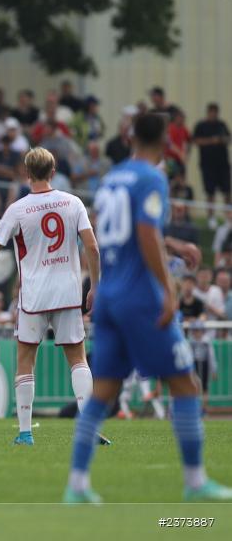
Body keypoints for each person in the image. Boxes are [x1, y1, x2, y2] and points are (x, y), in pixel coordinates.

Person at [64, 113, 232, 503]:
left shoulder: (113, 178)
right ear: (167, 144)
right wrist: (169, 289)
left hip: (109, 294)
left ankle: (76, 486)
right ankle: (194, 483)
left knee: (103, 390)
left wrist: (171, 244)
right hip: (141, 297)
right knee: (185, 384)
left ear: (130, 137)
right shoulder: (152, 177)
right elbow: (143, 232)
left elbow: (116, 232)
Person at [0, 148, 109, 447]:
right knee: (78, 359)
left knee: (26, 360)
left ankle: (25, 433)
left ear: (26, 174)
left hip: (33, 296)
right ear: (53, 172)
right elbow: (93, 248)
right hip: (67, 292)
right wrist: (95, 287)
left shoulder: (18, 209)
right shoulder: (73, 202)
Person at [191, 103, 231, 225]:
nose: (213, 114)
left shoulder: (221, 125)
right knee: (210, 192)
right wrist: (211, 140)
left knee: (227, 191)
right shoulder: (201, 126)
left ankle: (228, 217)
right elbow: (195, 140)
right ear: (208, 112)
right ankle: (211, 217)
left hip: (223, 164)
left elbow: (228, 138)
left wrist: (222, 140)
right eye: (211, 112)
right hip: (208, 165)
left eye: (215, 112)